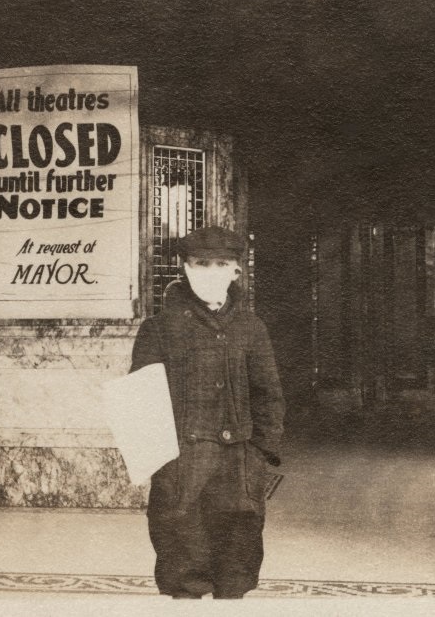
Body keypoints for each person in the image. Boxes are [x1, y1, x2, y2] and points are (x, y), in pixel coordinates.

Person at [130, 225, 285, 599]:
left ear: (236, 271)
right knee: (182, 560)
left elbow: (269, 397)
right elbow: (140, 403)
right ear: (185, 268)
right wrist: (163, 466)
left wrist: (260, 455)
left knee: (237, 564)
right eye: (201, 264)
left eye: (221, 264)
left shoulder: (251, 328)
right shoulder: (159, 329)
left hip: (239, 468)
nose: (210, 272)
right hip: (182, 469)